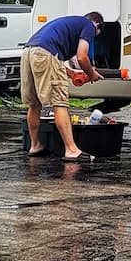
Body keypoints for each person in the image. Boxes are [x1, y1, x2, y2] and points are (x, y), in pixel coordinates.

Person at [23, 11, 105, 160]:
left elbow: (55, 61)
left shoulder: (70, 24)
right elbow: (82, 57)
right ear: (97, 25)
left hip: (29, 52)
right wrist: (91, 73)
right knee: (60, 102)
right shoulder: (89, 25)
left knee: (34, 104)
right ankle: (71, 150)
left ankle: (35, 145)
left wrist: (72, 74)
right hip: (46, 52)